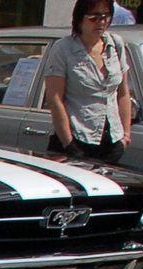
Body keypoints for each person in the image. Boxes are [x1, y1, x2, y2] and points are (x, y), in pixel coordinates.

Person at [40, 0, 132, 164]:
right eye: (94, 17)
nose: (101, 22)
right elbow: (54, 99)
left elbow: (123, 93)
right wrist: (69, 143)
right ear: (80, 19)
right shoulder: (63, 49)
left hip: (111, 141)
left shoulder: (116, 45)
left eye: (106, 16)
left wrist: (125, 137)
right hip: (77, 139)